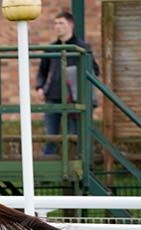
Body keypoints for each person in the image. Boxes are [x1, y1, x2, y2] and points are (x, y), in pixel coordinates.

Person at [35, 11, 100, 155]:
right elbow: (42, 71)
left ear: (71, 25)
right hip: (53, 96)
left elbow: (94, 70)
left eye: (61, 23)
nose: (57, 27)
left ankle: (75, 171)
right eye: (56, 23)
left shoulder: (82, 47)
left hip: (75, 99)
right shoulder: (51, 48)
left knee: (75, 136)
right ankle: (47, 173)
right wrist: (40, 87)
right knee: (50, 136)